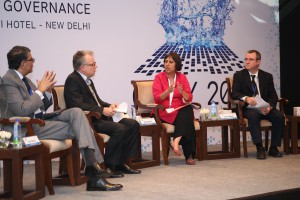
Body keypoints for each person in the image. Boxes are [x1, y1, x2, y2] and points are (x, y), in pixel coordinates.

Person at [1, 45, 123, 191]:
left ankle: (93, 169)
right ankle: (94, 173)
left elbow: (41, 106)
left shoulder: (25, 80)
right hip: (25, 128)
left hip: (40, 121)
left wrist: (46, 92)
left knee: (77, 113)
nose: (33, 61)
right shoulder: (9, 81)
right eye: (31, 59)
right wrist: (40, 91)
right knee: (82, 125)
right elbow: (22, 110)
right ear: (23, 63)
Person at [64, 50, 141, 177]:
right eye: (92, 64)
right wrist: (102, 110)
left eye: (95, 63)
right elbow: (77, 105)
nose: (96, 66)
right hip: (89, 121)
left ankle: (121, 163)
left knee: (133, 124)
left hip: (100, 117)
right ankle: (110, 166)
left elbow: (97, 102)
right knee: (120, 129)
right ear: (82, 67)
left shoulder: (88, 80)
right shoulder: (73, 80)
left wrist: (109, 106)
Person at [231, 49, 285, 160]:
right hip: (249, 109)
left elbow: (273, 95)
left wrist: (269, 107)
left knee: (279, 116)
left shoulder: (267, 76)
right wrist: (246, 98)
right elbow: (234, 93)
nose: (247, 62)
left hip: (265, 108)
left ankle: (273, 148)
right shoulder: (239, 75)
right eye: (246, 59)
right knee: (253, 115)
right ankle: (259, 147)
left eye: (250, 59)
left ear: (258, 62)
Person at [152, 52, 196, 165]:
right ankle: (189, 155)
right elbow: (157, 99)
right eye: (166, 62)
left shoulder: (182, 77)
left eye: (171, 62)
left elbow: (188, 98)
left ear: (177, 65)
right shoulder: (158, 77)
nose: (167, 64)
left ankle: (176, 140)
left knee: (187, 109)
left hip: (178, 111)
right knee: (187, 120)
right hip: (163, 111)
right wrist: (167, 92)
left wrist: (182, 92)